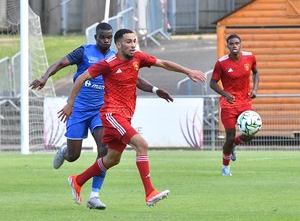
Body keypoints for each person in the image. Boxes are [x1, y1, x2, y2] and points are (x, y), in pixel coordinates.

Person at [30, 23, 173, 209]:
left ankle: (94, 195)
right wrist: (44, 77)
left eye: (108, 37)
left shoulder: (118, 56)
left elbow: (135, 78)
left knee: (104, 150)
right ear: (96, 37)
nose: (105, 40)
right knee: (74, 155)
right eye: (102, 37)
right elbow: (60, 63)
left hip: (102, 109)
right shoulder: (84, 52)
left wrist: (154, 89)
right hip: (79, 108)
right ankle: (66, 151)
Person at [58, 28, 206, 206]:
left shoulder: (139, 58)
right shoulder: (108, 63)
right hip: (112, 114)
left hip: (126, 115)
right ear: (118, 45)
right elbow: (82, 77)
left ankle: (77, 181)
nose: (133, 45)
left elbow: (163, 63)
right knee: (141, 144)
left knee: (112, 158)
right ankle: (150, 192)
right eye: (128, 42)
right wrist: (70, 104)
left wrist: (187, 71)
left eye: (134, 41)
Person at [209, 34, 259, 176]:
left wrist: (254, 89)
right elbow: (212, 83)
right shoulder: (221, 63)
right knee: (229, 137)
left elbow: (256, 72)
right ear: (228, 46)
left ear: (241, 44)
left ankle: (234, 145)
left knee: (251, 132)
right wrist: (225, 94)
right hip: (228, 104)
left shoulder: (250, 57)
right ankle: (225, 168)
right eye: (231, 43)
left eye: (237, 43)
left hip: (245, 102)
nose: (234, 46)